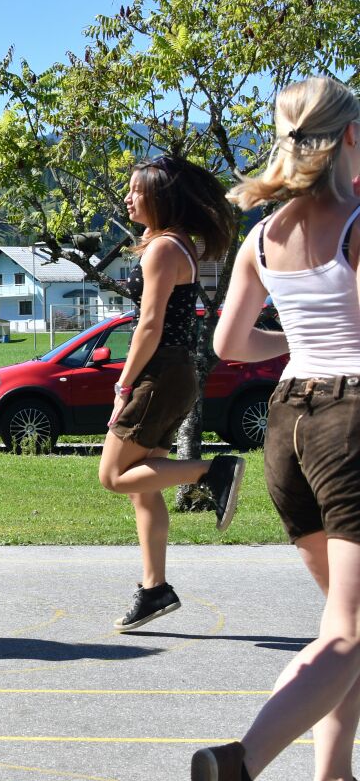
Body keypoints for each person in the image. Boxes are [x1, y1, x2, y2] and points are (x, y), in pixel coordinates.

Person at [191, 76, 360, 781]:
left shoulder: (262, 237)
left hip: (288, 422)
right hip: (351, 420)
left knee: (342, 624)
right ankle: (240, 764)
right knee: (350, 631)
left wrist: (298, 340)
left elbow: (230, 343)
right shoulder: (355, 225)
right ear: (348, 136)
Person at [96, 155, 245, 631]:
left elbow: (149, 325)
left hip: (159, 373)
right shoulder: (176, 244)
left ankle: (213, 471)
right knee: (144, 490)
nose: (127, 198)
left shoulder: (162, 249)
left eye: (136, 190)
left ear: (161, 197)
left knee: (114, 476)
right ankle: (154, 589)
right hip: (175, 371)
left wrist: (124, 383)